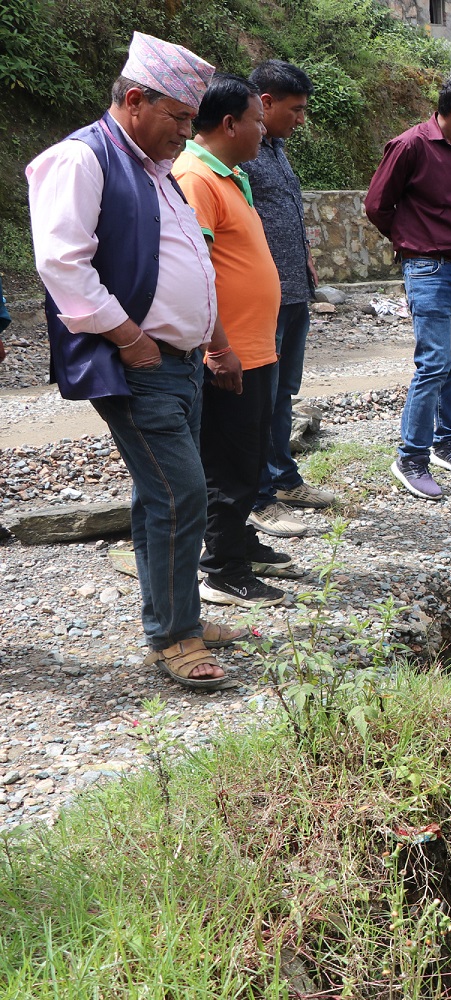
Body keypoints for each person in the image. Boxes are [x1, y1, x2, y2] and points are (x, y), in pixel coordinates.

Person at [27, 32, 245, 690]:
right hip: (138, 363)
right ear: (134, 100)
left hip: (180, 362)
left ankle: (179, 616)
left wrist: (214, 340)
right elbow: (61, 263)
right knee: (178, 491)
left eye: (190, 119)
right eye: (178, 118)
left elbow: (189, 265)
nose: (186, 131)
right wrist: (128, 337)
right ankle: (175, 637)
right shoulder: (81, 159)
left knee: (162, 496)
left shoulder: (155, 170)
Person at [172, 73, 288, 609]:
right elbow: (195, 271)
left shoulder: (229, 175)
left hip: (254, 346)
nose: (263, 131)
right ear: (229, 123)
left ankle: (239, 542)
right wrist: (219, 348)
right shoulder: (195, 176)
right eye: (258, 121)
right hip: (229, 350)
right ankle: (223, 568)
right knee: (229, 462)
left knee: (249, 453)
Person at [365, 73, 451, 501]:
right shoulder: (410, 145)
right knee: (434, 364)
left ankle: (447, 445)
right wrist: (413, 241)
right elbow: (377, 205)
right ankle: (411, 457)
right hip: (428, 270)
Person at [243, 59, 336, 541]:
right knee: (258, 398)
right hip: (261, 299)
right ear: (265, 102)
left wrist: (304, 256)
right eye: (295, 110)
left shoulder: (275, 148)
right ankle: (258, 498)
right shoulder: (239, 151)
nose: (302, 120)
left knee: (282, 394)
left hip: (293, 290)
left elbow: (283, 213)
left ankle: (284, 480)